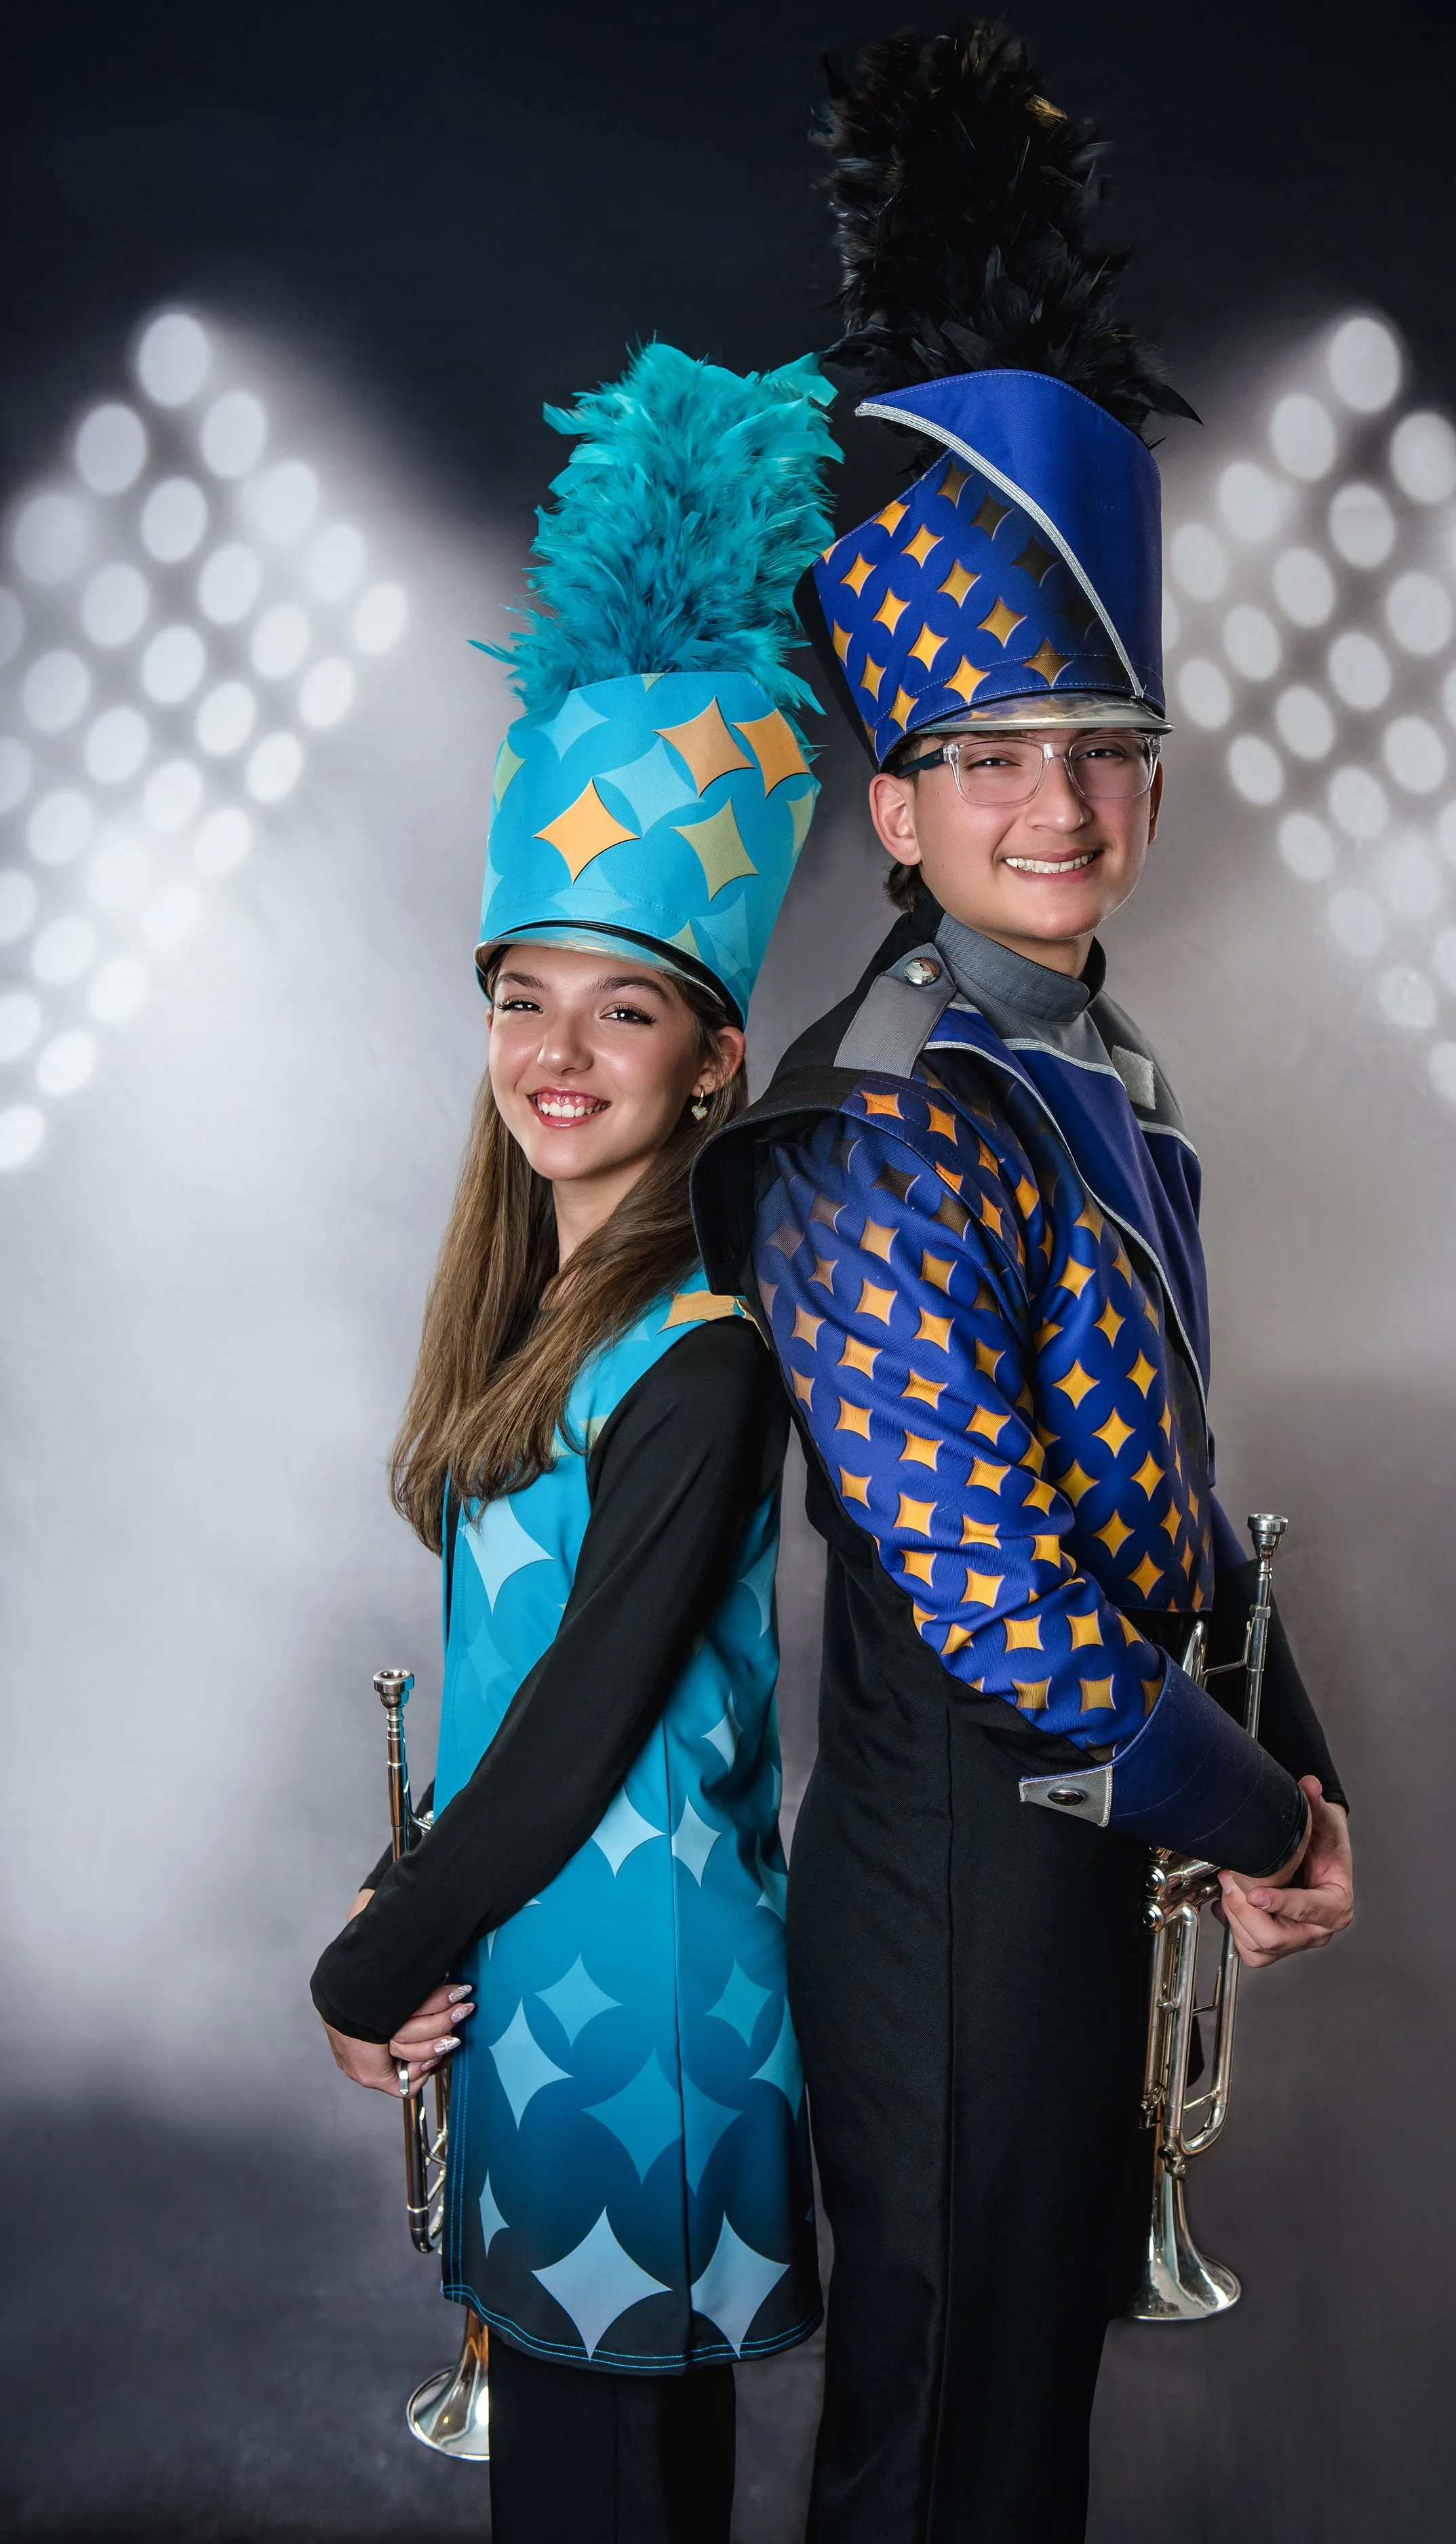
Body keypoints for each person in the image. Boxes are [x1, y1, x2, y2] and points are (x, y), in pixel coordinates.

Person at [688, 26, 1355, 2544]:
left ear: (1156, 789)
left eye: (1094, 743)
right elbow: (997, 1606)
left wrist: (1309, 1757)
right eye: (984, 749)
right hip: (958, 1889)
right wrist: (1260, 1793)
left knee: (1020, 2464)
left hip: (1076, 1872)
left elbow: (1163, 1497)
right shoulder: (873, 1131)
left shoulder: (1107, 1073)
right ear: (895, 803)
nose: (1051, 800)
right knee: (945, 2454)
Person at [310, 339, 840, 2544]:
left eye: (621, 1004)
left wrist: (366, 1953)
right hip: (539, 1994)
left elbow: (576, 1728)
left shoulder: (703, 1354)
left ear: (707, 1058)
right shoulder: (528, 1318)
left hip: (653, 2033)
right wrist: (425, 1924)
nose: (556, 1048)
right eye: (521, 993)